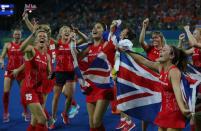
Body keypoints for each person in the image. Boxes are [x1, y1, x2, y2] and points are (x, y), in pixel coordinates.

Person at [128, 44, 190, 131]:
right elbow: (142, 60)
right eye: (161, 50)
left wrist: (183, 109)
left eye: (164, 50)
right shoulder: (160, 67)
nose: (160, 51)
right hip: (164, 111)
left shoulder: (174, 71)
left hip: (176, 112)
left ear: (171, 56)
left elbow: (177, 92)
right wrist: (126, 51)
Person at [20, 28, 51, 131]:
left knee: (34, 122)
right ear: (36, 40)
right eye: (40, 36)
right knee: (42, 120)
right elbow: (21, 48)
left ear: (47, 41)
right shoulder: (31, 50)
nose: (42, 37)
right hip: (29, 89)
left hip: (39, 90)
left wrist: (54, 76)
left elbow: (49, 72)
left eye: (44, 36)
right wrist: (32, 35)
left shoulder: (47, 56)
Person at [139, 18, 165, 130]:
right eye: (153, 37)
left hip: (161, 83)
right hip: (148, 83)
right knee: (146, 109)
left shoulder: (166, 50)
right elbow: (141, 41)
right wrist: (144, 27)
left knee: (160, 109)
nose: (154, 39)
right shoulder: (150, 49)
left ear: (161, 39)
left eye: (156, 37)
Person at [0, 28, 30, 122]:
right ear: (12, 35)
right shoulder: (7, 45)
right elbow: (2, 56)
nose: (17, 36)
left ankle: (25, 112)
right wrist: (1, 63)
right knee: (6, 92)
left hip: (21, 71)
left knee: (24, 93)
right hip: (9, 71)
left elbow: (27, 60)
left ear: (21, 36)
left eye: (19, 34)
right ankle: (5, 112)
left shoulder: (24, 46)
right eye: (16, 34)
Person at [113, 26, 136, 131]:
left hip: (125, 73)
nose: (121, 32)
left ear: (126, 35)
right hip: (118, 71)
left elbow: (117, 46)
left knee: (124, 97)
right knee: (120, 97)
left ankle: (129, 122)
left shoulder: (127, 42)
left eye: (123, 31)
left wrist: (113, 41)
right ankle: (123, 119)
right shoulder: (122, 41)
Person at [183, 25, 201, 131]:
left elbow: (194, 43)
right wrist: (180, 43)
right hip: (196, 81)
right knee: (194, 111)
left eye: (195, 33)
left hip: (200, 82)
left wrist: (187, 30)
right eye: (192, 33)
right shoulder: (194, 48)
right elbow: (182, 53)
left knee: (197, 110)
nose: (193, 35)